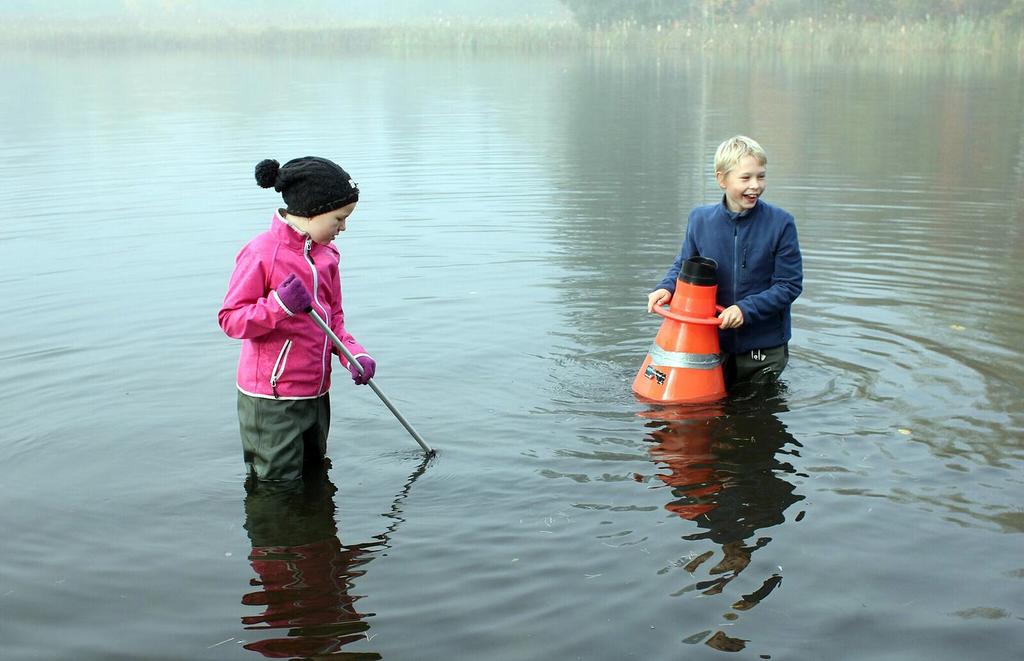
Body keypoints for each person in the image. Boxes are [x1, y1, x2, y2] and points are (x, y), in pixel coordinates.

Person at [219, 156, 376, 481]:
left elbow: (333, 320)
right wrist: (279, 305)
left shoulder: (326, 257)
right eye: (339, 218)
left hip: (316, 395)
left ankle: (317, 533)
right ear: (312, 211)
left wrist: (353, 354)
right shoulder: (262, 253)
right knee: (276, 487)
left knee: (316, 477)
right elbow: (231, 320)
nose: (343, 228)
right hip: (272, 400)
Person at [647, 136, 802, 387]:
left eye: (760, 176)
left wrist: (745, 309)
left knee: (755, 414)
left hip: (763, 347)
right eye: (746, 178)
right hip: (711, 341)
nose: (755, 186)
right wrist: (666, 288)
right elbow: (684, 265)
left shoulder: (781, 223)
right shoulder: (700, 220)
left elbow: (789, 285)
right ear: (722, 179)